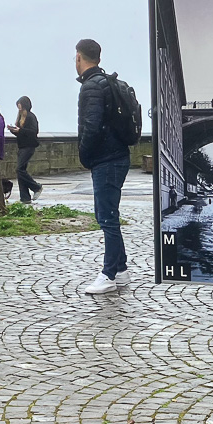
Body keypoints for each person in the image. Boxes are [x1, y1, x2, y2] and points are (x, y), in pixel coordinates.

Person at [74, 38, 130, 294]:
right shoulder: (108, 82)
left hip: (106, 160)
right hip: (118, 155)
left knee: (107, 217)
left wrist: (84, 156)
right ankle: (121, 270)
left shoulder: (91, 87)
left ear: (79, 57)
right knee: (109, 215)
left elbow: (91, 127)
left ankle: (108, 275)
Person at [8, 96, 42, 204]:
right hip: (22, 146)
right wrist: (13, 130)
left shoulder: (31, 117)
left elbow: (33, 132)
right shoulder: (20, 117)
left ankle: (36, 187)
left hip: (29, 146)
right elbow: (20, 133)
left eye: (20, 104)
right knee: (20, 172)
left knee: (19, 169)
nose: (18, 107)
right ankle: (25, 197)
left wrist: (20, 130)